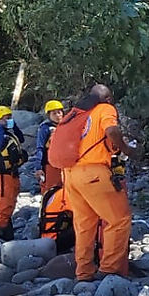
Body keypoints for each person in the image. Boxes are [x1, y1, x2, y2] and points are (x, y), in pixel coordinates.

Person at [61, 84, 138, 281]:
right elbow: (111, 130)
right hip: (94, 172)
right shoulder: (105, 109)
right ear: (107, 98)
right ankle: (109, 271)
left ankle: (84, 273)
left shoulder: (76, 113)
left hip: (70, 174)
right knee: (119, 219)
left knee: (85, 224)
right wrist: (126, 149)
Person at [0, 106, 28, 241]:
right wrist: (0, 128)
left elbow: (21, 139)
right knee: (4, 205)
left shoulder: (9, 133)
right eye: (6, 118)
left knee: (11, 203)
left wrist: (14, 126)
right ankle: (3, 235)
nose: (9, 120)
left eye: (10, 117)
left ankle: (8, 232)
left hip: (13, 174)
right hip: (3, 176)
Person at [34, 100, 65, 194]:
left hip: (65, 164)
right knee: (51, 191)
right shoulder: (45, 128)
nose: (57, 115)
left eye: (59, 112)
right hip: (50, 165)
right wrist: (38, 167)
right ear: (49, 115)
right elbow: (40, 148)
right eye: (54, 113)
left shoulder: (66, 126)